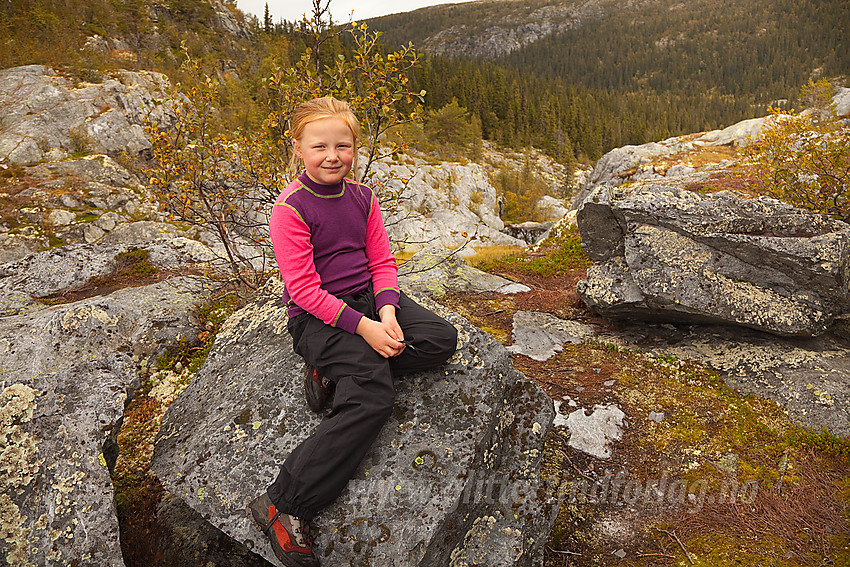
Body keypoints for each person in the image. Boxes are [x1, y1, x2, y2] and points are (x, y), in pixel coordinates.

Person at [248, 96, 458, 567]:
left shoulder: (363, 198)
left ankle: (338, 372)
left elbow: (382, 263)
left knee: (441, 339)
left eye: (342, 145)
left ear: (354, 149)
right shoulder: (291, 209)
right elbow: (302, 290)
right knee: (373, 396)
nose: (332, 156)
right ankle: (285, 503)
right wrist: (362, 329)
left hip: (368, 301)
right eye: (319, 145)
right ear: (298, 148)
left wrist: (386, 315)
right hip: (319, 318)